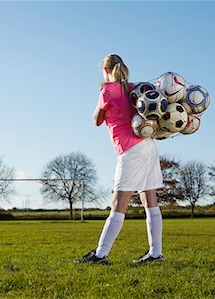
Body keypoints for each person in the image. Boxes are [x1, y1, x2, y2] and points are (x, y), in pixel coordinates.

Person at [74, 54, 164, 264]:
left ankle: (100, 255)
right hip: (148, 145)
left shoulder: (107, 90)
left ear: (105, 70)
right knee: (150, 200)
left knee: (119, 203)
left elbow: (96, 119)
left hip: (131, 150)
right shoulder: (133, 88)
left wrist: (103, 95)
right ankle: (155, 253)